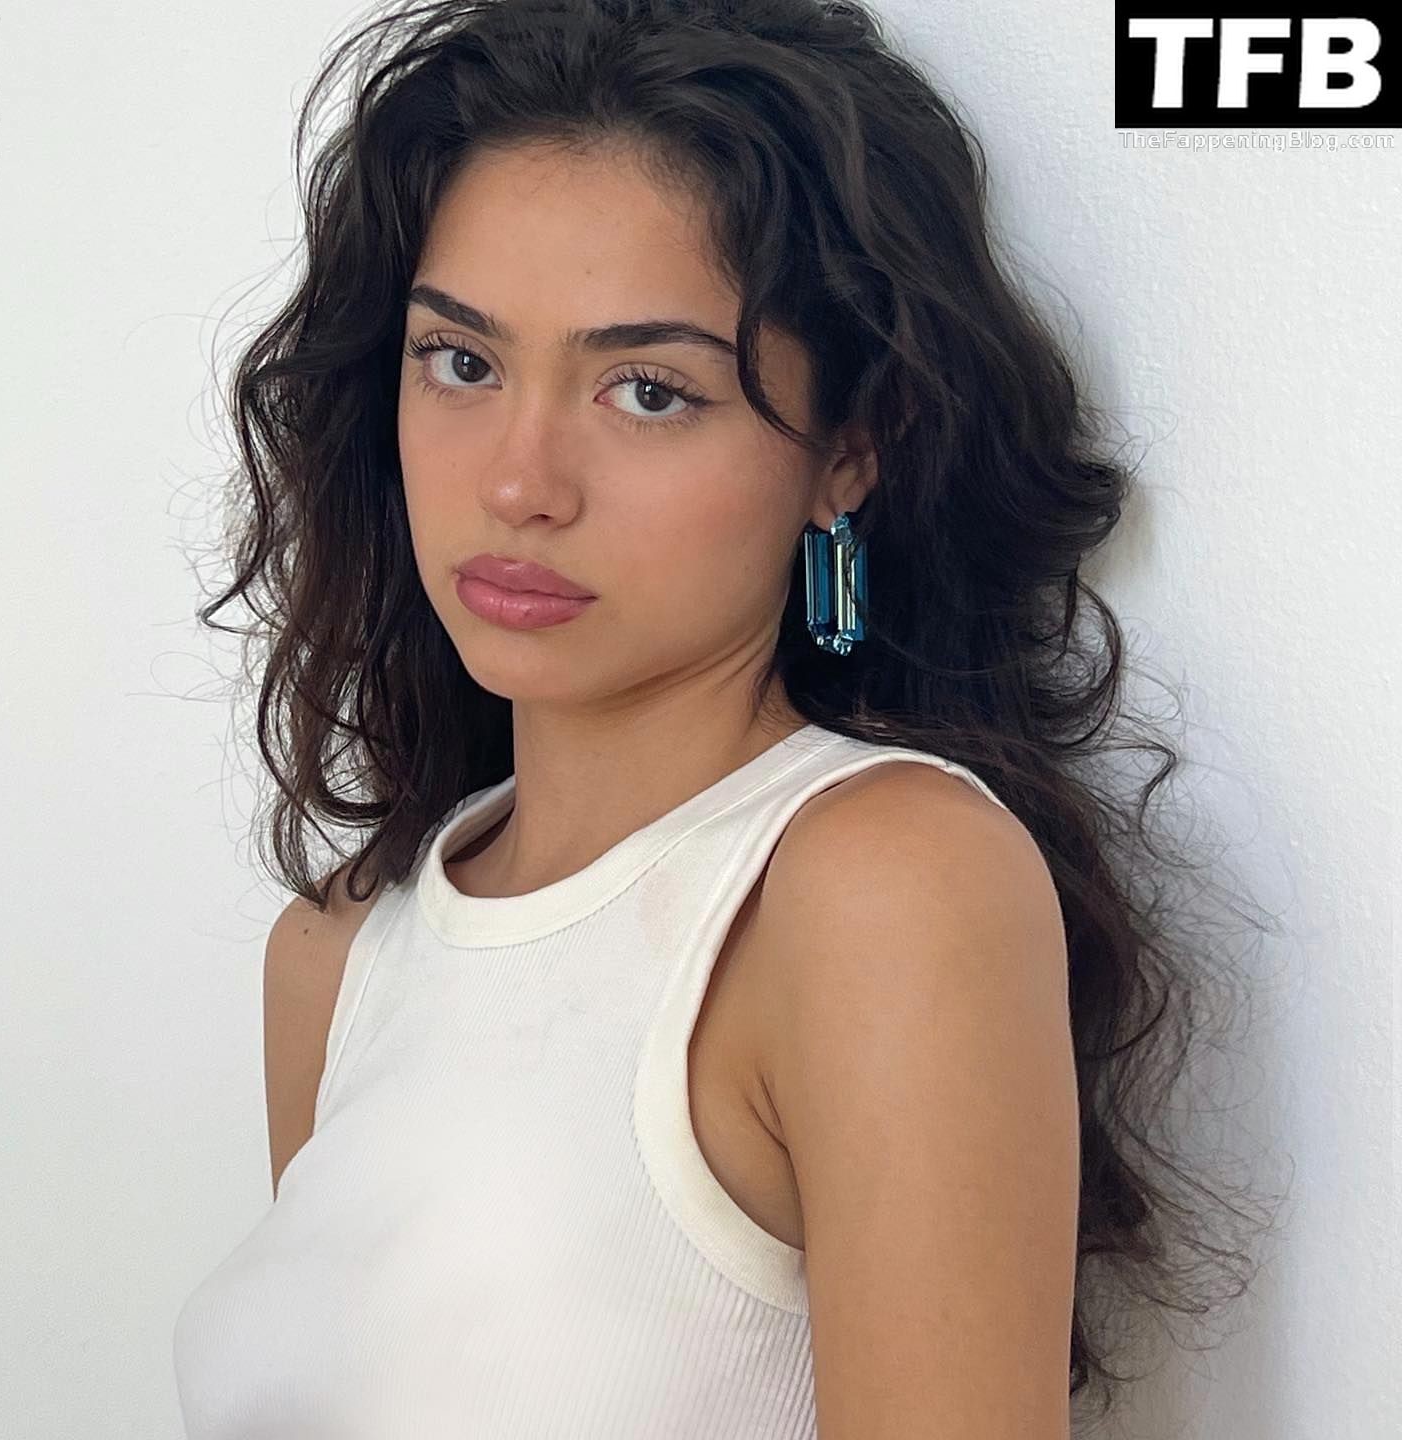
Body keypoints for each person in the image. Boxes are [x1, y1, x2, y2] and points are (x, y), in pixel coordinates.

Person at [173, 2, 1273, 1436]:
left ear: (848, 455)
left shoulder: (880, 885)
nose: (519, 483)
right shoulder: (335, 955)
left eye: (649, 391)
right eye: (462, 362)